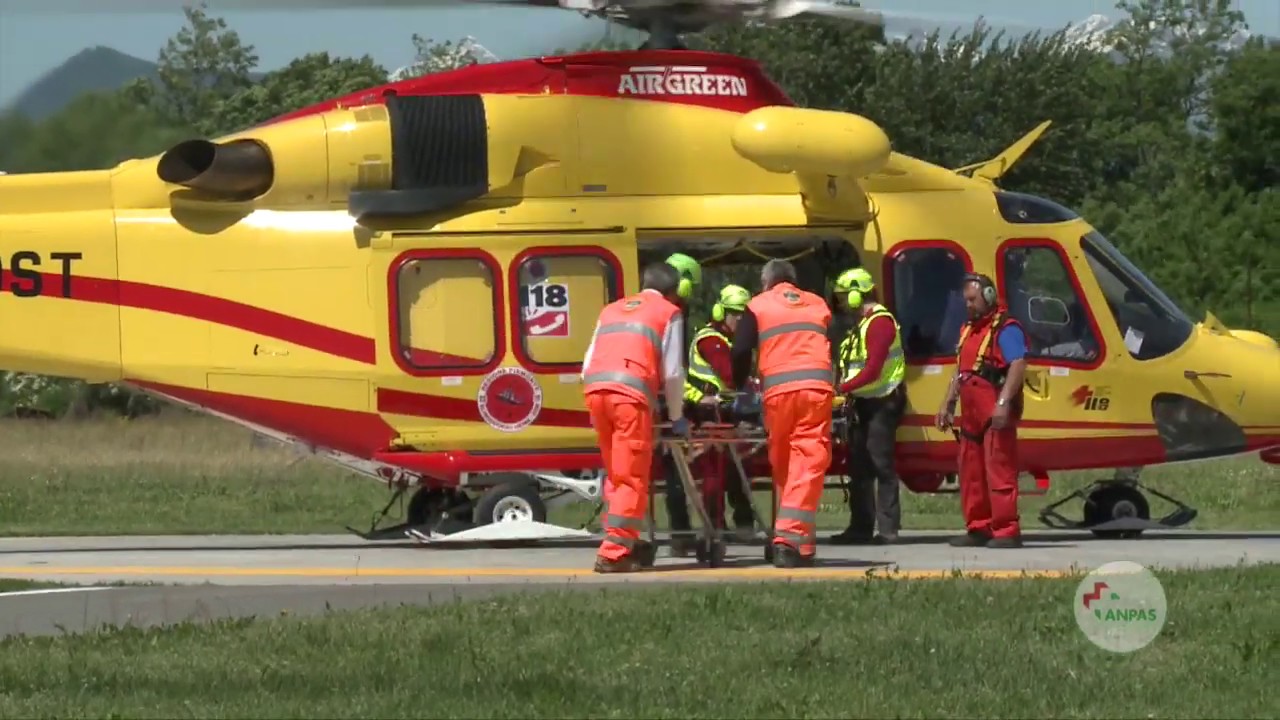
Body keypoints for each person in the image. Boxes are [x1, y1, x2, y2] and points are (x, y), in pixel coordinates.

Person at [581, 261, 691, 573]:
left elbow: (587, 364)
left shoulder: (611, 310)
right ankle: (614, 553)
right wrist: (676, 416)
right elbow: (673, 373)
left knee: (616, 473)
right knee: (631, 475)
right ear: (673, 292)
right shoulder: (668, 312)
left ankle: (622, 539)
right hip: (630, 399)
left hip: (596, 392)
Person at [730, 259, 834, 568]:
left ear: (766, 283)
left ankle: (795, 541)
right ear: (793, 281)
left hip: (777, 395)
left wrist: (738, 384)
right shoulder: (817, 304)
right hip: (815, 390)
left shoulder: (758, 305)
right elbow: (834, 343)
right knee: (808, 461)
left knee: (786, 463)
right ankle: (790, 539)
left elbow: (740, 350)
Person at [935, 272, 1029, 549]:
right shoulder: (968, 330)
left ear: (988, 296)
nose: (968, 305)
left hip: (992, 411)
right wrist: (947, 403)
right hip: (971, 414)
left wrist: (1003, 404)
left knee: (999, 470)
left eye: (973, 299)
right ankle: (979, 527)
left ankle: (1007, 530)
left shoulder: (1006, 329)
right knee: (971, 473)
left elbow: (1018, 365)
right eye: (966, 300)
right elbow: (961, 370)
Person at [667, 283, 757, 555]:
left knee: (736, 469)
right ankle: (715, 527)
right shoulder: (711, 340)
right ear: (721, 311)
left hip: (725, 413)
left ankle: (740, 522)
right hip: (707, 415)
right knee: (713, 472)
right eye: (734, 313)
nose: (739, 319)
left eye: (743, 315)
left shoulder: (733, 341)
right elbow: (730, 376)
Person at [828, 267, 907, 546]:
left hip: (883, 402)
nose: (839, 304)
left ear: (855, 295)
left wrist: (840, 389)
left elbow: (872, 370)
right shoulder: (860, 325)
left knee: (880, 463)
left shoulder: (880, 323)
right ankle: (860, 527)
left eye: (842, 297)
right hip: (863, 402)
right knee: (859, 466)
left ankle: (888, 529)